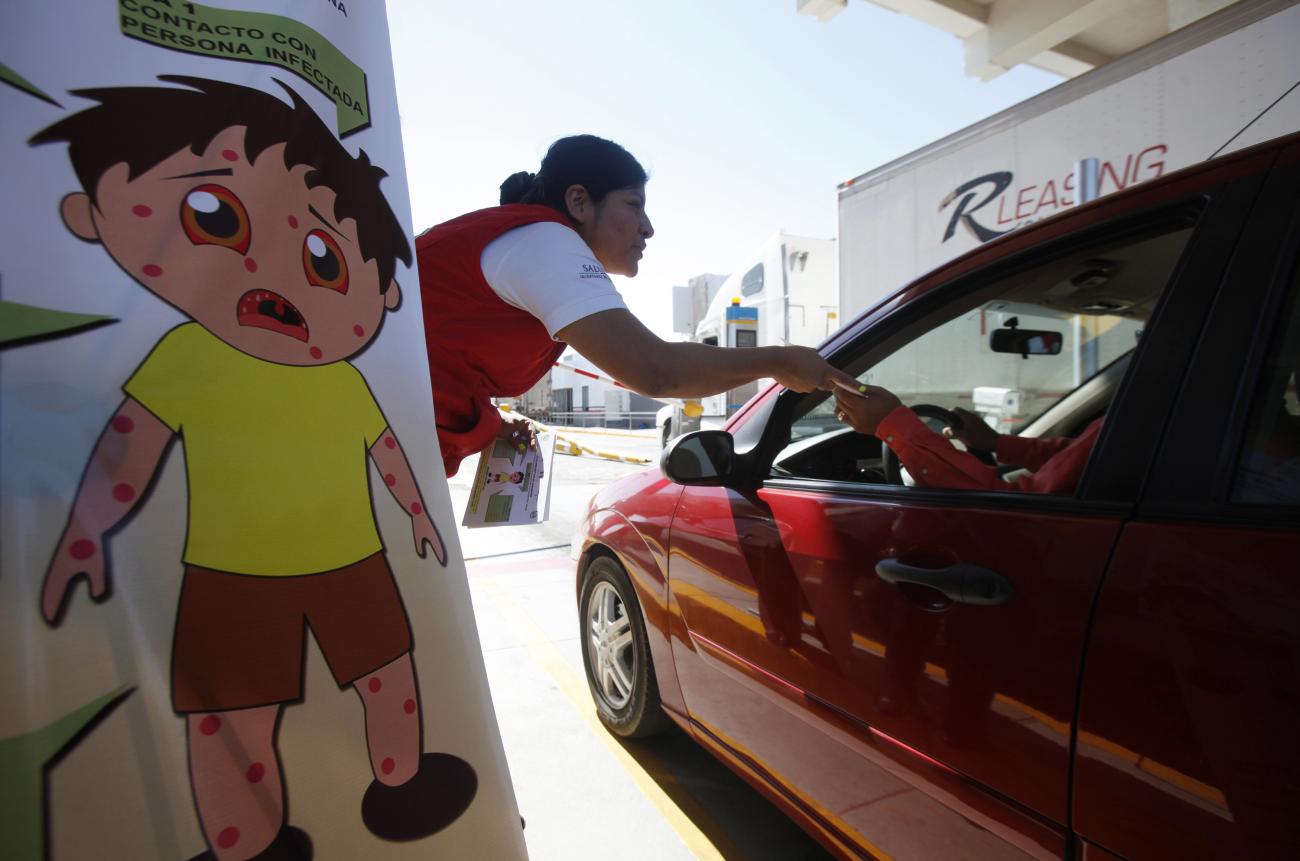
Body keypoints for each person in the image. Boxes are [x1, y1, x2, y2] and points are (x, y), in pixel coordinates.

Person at [33, 75, 470, 859]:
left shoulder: (347, 377)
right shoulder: (185, 354)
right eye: (214, 216)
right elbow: (128, 447)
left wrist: (416, 512)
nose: (280, 278)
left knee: (388, 677)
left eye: (326, 261)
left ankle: (399, 782)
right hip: (229, 572)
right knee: (231, 716)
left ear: (383, 296)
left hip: (354, 559)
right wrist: (84, 529)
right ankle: (251, 841)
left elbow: (386, 451)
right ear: (90, 215)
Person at [417, 134, 857, 476]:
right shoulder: (546, 240)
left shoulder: (528, 239)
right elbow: (656, 370)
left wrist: (491, 423)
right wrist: (778, 361)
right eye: (634, 205)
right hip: (369, 435)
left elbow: (440, 357)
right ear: (579, 201)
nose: (648, 228)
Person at [831, 383, 1103, 494]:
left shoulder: (1141, 420)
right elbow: (1081, 455)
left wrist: (890, 425)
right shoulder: (1125, 432)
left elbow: (1010, 508)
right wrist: (996, 443)